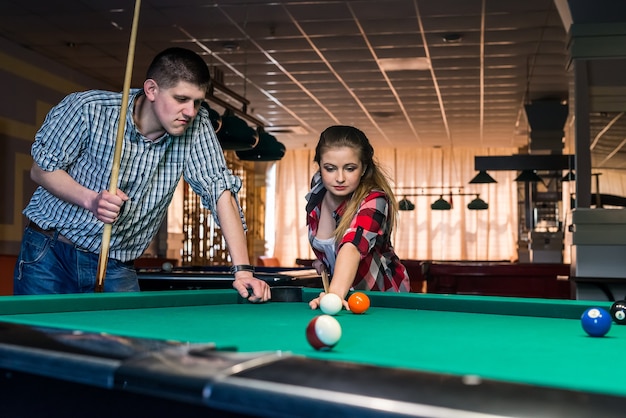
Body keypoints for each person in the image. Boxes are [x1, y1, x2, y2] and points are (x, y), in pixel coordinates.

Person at [13, 47, 270, 302]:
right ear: (152, 90)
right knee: (40, 341)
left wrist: (243, 270)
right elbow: (41, 169)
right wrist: (90, 200)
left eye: (198, 101)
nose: (191, 111)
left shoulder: (197, 124)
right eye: (181, 99)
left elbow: (219, 190)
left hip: (117, 263)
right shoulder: (89, 108)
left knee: (128, 343)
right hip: (51, 252)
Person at [306, 125, 410, 311]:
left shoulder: (375, 199)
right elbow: (330, 245)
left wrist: (334, 296)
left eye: (350, 168)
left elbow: (352, 247)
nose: (339, 178)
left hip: (383, 299)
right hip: (345, 297)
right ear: (320, 167)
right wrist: (325, 259)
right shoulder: (318, 189)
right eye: (330, 168)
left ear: (363, 169)